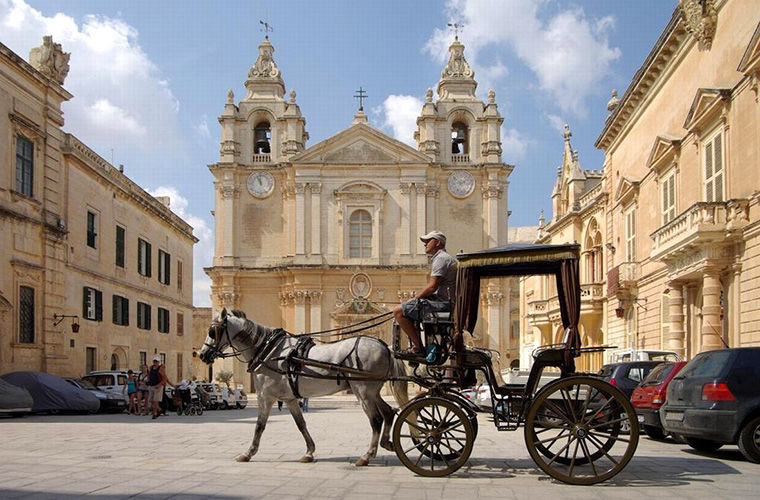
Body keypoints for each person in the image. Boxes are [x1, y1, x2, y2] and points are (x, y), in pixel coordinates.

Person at [393, 230, 457, 358]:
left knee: (398, 311)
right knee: (408, 309)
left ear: (438, 242)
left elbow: (432, 287)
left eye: (428, 241)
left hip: (444, 305)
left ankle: (417, 348)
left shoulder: (441, 259)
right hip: (444, 302)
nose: (425, 244)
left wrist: (415, 299)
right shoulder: (442, 258)